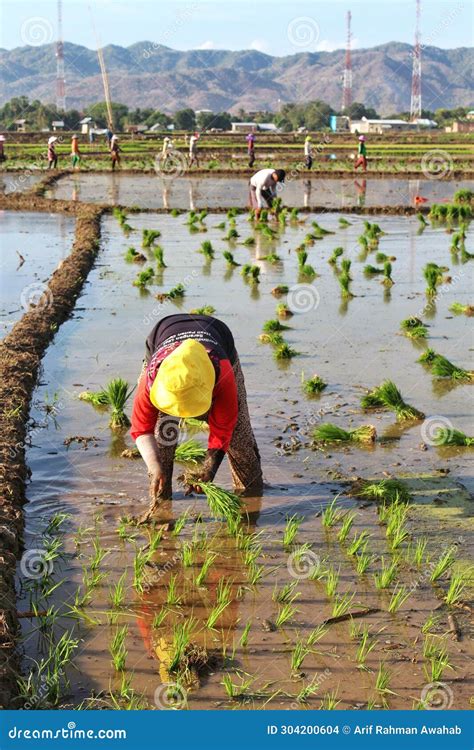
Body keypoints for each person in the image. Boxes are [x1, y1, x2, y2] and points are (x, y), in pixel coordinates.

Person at [130, 314, 263, 521]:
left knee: (239, 437)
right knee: (161, 438)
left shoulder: (223, 374)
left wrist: (209, 469)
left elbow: (223, 429)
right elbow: (141, 429)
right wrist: (154, 466)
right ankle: (161, 504)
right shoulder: (151, 379)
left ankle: (250, 500)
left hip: (218, 338)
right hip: (164, 333)